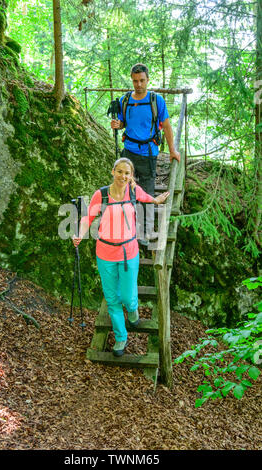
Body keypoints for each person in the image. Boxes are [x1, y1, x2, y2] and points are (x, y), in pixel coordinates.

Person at [73, 157, 169, 357]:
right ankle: (120, 337)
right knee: (112, 299)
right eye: (120, 172)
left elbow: (147, 198)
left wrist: (157, 200)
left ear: (131, 175)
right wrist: (79, 234)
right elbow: (87, 218)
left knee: (127, 296)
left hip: (129, 252)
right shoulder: (101, 195)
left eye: (127, 173)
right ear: (112, 171)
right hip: (105, 253)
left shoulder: (134, 191)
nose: (123, 176)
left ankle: (133, 309)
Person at [111, 63, 180, 244]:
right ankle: (129, 230)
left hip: (149, 153)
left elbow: (166, 126)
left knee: (147, 193)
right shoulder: (125, 100)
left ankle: (145, 233)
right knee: (127, 191)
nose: (138, 84)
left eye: (142, 80)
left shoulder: (156, 101)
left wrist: (172, 150)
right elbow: (122, 122)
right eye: (135, 81)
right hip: (128, 153)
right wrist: (117, 124)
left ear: (148, 80)